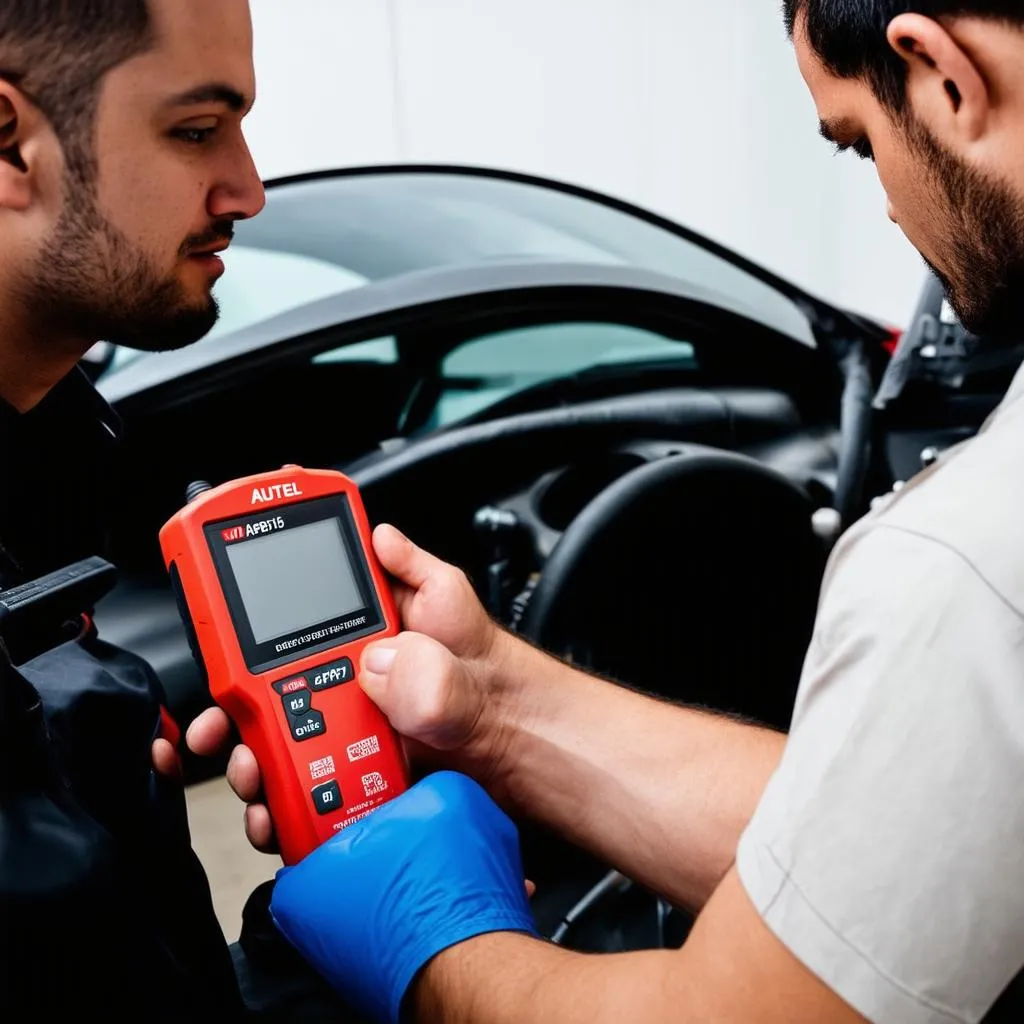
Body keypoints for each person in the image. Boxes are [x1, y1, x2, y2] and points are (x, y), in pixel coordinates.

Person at [200, 3, 1024, 1022]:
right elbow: (885, 843)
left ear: (940, 73)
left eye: (860, 145)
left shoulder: (970, 557)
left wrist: (433, 945)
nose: (893, 209)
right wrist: (491, 704)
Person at [0, 2, 357, 1019]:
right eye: (196, 130)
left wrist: (310, 942)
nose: (247, 189)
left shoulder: (65, 448)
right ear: (8, 143)